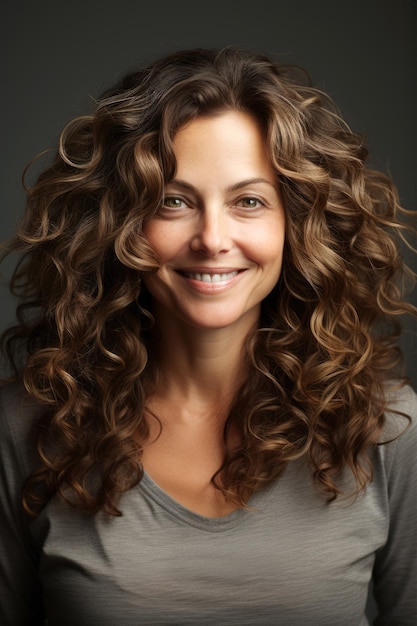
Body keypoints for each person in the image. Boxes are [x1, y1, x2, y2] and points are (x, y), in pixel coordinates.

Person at [0, 46, 416, 626]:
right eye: (173, 202)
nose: (212, 238)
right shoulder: (25, 426)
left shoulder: (389, 428)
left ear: (297, 225)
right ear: (119, 224)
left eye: (249, 201)